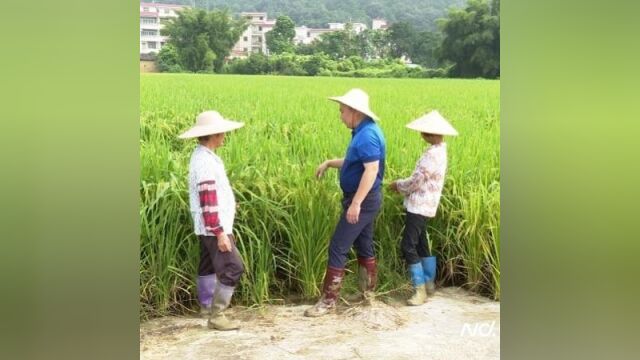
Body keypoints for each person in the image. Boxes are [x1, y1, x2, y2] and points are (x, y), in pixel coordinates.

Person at [305, 88, 386, 317]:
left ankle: (328, 301)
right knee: (364, 244)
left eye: (342, 111)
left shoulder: (367, 135)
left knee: (338, 246)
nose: (340, 115)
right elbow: (354, 162)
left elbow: (372, 170)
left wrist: (356, 203)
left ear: (354, 111)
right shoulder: (363, 131)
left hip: (364, 200)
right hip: (365, 199)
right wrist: (330, 162)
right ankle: (366, 294)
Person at [178, 110, 245, 330]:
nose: (225, 135)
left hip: (206, 225)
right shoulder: (205, 162)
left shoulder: (202, 156)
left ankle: (206, 306)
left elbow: (212, 193)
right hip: (214, 226)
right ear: (215, 135)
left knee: (207, 265)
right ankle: (217, 316)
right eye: (222, 132)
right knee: (233, 267)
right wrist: (219, 232)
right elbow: (207, 199)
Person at [389, 110, 458, 305]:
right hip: (426, 205)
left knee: (408, 245)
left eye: (423, 132)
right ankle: (429, 284)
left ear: (429, 134)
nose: (421, 135)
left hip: (419, 206)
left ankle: (420, 291)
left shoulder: (432, 155)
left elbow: (416, 181)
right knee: (421, 243)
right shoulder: (440, 150)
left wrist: (398, 185)